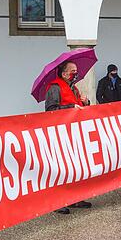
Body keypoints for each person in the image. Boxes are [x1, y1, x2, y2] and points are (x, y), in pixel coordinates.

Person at [44, 60, 93, 214]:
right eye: (72, 71)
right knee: (61, 168)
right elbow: (51, 110)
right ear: (64, 73)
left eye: (76, 71)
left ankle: (75, 199)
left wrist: (86, 103)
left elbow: (80, 107)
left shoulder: (74, 89)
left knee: (76, 166)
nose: (75, 73)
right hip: (60, 134)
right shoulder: (55, 88)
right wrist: (70, 107)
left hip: (75, 133)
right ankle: (57, 202)